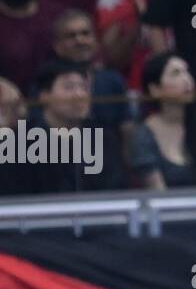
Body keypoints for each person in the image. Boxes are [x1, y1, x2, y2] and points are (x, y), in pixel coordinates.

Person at [19, 60, 129, 194]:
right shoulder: (22, 142)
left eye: (84, 88)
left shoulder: (103, 138)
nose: (79, 95)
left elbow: (116, 190)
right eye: (68, 87)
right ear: (44, 96)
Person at [129, 52, 196, 189]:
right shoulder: (144, 135)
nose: (187, 79)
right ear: (155, 89)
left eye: (187, 72)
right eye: (176, 73)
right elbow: (157, 193)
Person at [50, 8, 131, 132]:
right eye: (71, 36)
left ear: (95, 41)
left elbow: (126, 126)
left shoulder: (112, 80)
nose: (80, 40)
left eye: (85, 33)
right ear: (58, 46)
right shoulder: (47, 81)